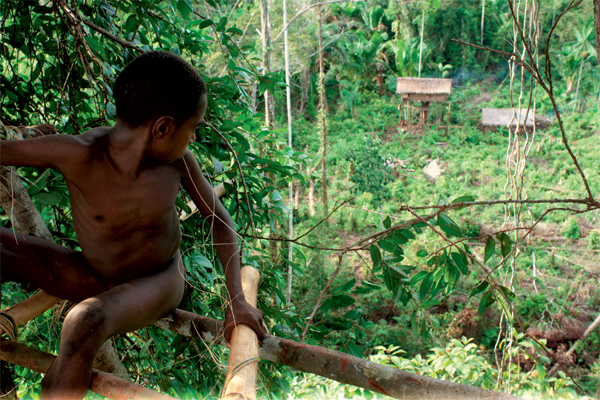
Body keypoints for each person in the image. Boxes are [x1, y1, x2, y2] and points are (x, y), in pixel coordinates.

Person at [0, 51, 266, 399]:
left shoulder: (178, 163)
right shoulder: (77, 152)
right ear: (163, 127)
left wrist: (236, 300)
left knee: (84, 321)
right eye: (193, 129)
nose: (193, 140)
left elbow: (220, 221)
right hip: (91, 274)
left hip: (160, 281)